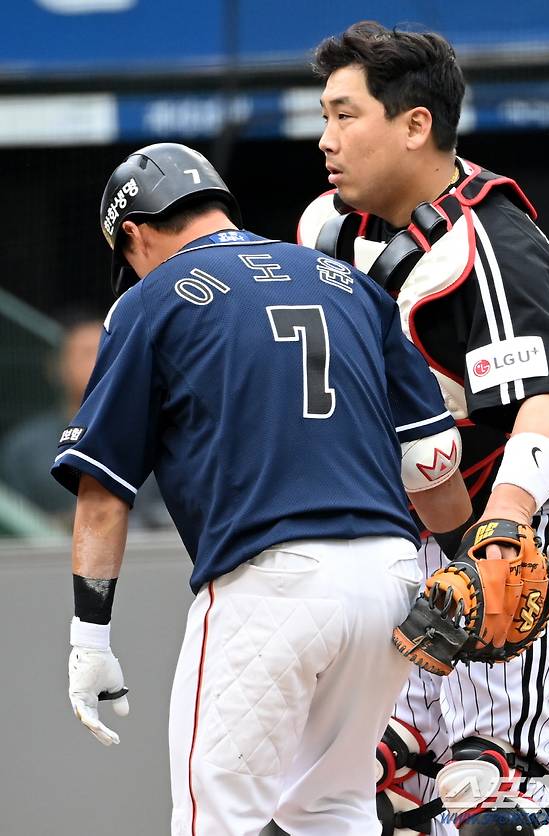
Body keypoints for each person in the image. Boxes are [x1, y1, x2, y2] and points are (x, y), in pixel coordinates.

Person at [51, 142, 473, 836]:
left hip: (275, 585)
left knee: (216, 821)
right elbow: (430, 461)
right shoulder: (349, 283)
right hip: (393, 582)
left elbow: (103, 493)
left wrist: (88, 636)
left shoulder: (149, 301)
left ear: (133, 232)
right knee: (335, 811)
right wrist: (464, 563)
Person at [298, 21, 549, 835]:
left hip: (514, 534)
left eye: (343, 115)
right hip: (404, 538)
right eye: (324, 116)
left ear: (414, 124)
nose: (325, 139)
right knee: (365, 779)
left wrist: (503, 525)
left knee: (487, 791)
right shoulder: (327, 233)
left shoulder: (490, 240)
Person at [0, 310, 102, 527]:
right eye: (87, 352)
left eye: (110, 349)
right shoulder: (24, 447)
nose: (101, 360)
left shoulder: (149, 437)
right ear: (57, 367)